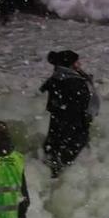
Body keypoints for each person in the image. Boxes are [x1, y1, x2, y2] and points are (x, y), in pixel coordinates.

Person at [41, 50, 96, 178]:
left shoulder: (57, 78)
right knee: (69, 157)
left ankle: (53, 175)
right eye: (77, 62)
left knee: (55, 153)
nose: (80, 64)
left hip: (58, 126)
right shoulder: (75, 82)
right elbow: (85, 104)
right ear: (71, 64)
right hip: (74, 127)